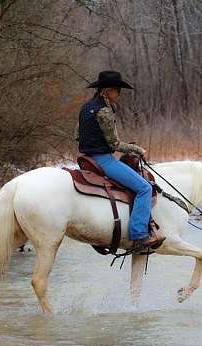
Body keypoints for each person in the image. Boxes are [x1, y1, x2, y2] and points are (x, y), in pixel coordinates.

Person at [74, 70, 164, 250]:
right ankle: (139, 235)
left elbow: (77, 135)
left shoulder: (86, 107)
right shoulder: (104, 111)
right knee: (144, 188)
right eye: (117, 90)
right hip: (103, 160)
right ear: (107, 91)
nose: (118, 95)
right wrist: (138, 149)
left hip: (86, 159)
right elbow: (114, 144)